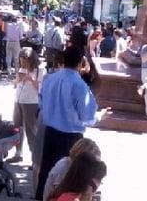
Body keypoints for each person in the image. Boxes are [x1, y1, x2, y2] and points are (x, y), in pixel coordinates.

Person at [35, 46, 109, 200]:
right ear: (81, 62)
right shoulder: (79, 85)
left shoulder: (50, 78)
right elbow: (87, 117)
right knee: (70, 179)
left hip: (50, 132)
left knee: (48, 173)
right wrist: (100, 117)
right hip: (71, 138)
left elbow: (41, 103)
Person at [7, 47, 46, 164]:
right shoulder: (22, 69)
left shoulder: (40, 70)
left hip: (31, 102)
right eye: (21, 60)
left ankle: (35, 159)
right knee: (17, 128)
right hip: (18, 100)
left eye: (24, 60)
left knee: (31, 131)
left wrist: (31, 79)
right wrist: (17, 80)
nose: (22, 63)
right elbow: (16, 84)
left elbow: (41, 89)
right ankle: (18, 153)